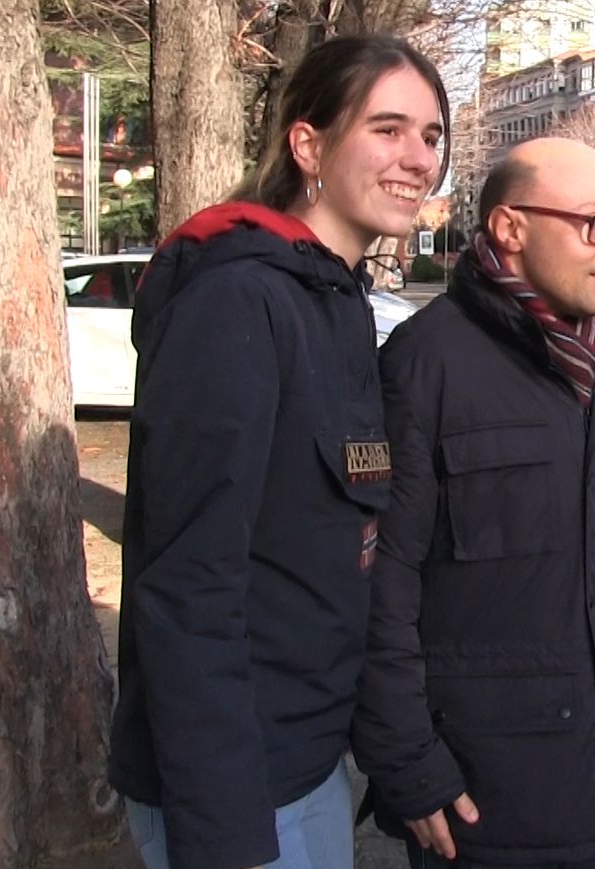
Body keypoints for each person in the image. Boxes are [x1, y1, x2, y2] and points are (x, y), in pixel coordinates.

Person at [108, 35, 450, 869]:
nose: (418, 159)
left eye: (433, 136)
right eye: (389, 129)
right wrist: (225, 831)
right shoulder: (238, 301)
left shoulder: (330, 298)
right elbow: (190, 583)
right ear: (308, 146)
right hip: (243, 787)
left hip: (305, 760)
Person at [349, 137, 595, 869]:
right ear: (511, 228)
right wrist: (406, 760)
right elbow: (382, 580)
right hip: (482, 790)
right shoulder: (424, 363)